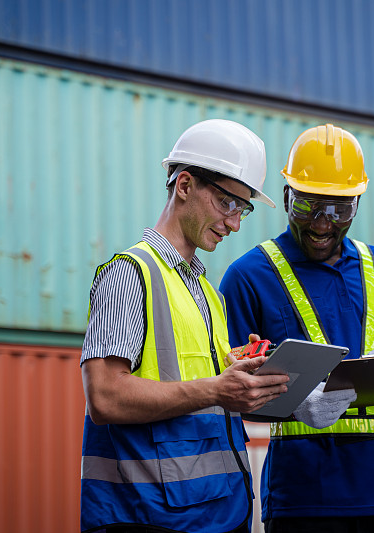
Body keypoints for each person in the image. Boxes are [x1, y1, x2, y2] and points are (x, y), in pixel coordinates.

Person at [80, 119, 291, 533]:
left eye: (242, 209)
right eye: (228, 203)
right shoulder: (129, 274)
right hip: (148, 517)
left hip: (219, 513)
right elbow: (104, 397)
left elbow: (190, 384)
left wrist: (236, 368)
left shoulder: (207, 292)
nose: (235, 223)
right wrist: (216, 388)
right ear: (185, 185)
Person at [220, 124, 374, 533]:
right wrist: (294, 399)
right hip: (305, 502)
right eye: (308, 207)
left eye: (339, 211)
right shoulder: (248, 276)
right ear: (286, 198)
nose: (321, 224)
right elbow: (230, 394)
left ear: (357, 204)